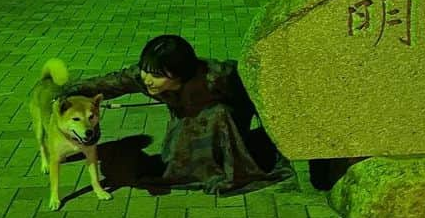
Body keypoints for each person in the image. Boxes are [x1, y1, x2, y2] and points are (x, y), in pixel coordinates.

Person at [59, 34, 292, 194]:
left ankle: (230, 167)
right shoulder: (145, 77)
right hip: (187, 117)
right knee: (177, 157)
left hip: (227, 118)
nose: (148, 79)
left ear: (179, 74)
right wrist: (68, 91)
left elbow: (258, 89)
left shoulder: (217, 77)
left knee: (217, 115)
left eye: (157, 75)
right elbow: (112, 83)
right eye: (145, 71)